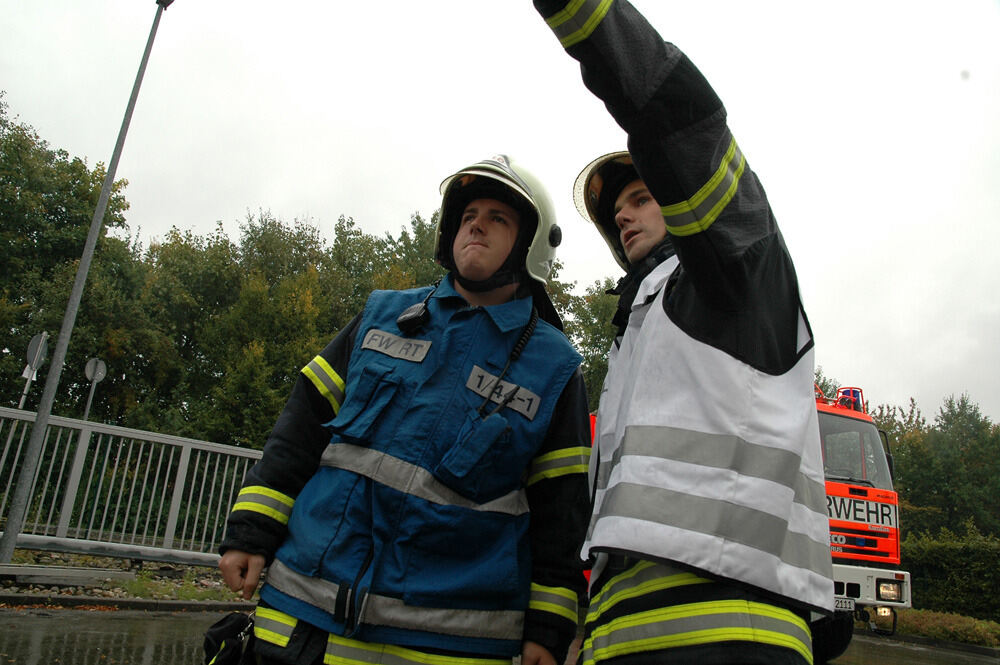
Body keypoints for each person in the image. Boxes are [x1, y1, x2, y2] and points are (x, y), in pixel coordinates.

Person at [532, 1, 835, 664]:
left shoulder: (734, 277)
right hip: (627, 634)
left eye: (641, 197)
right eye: (617, 211)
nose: (625, 214)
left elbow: (676, 117)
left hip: (731, 631)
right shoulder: (638, 335)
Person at [219, 154, 592, 665]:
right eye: (468, 216)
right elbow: (300, 430)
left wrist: (548, 629)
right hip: (299, 621)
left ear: (529, 246)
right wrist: (252, 530)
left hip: (440, 642)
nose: (477, 224)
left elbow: (562, 512)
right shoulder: (383, 317)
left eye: (497, 218)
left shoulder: (554, 368)